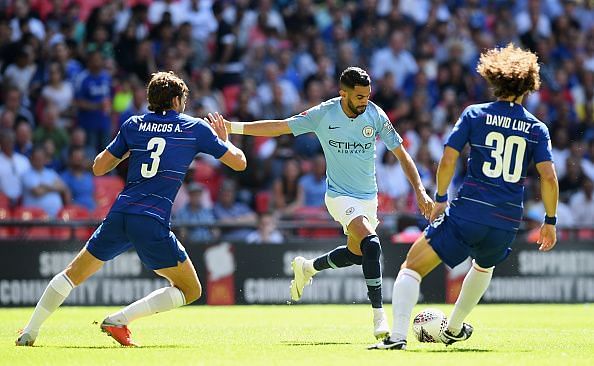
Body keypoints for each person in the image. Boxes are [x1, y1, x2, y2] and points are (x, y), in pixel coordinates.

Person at [16, 71, 247, 347]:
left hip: (121, 213)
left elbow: (99, 167)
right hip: (151, 220)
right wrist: (225, 140)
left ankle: (30, 331)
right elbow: (239, 163)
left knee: (72, 274)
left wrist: (128, 149)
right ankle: (120, 319)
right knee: (191, 289)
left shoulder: (133, 124)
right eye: (183, 99)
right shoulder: (194, 128)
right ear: (175, 101)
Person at [209, 66, 433, 340]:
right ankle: (379, 316)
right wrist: (231, 127)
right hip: (339, 196)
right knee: (372, 243)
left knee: (357, 253)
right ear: (343, 94)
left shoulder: (375, 115)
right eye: (360, 96)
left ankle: (307, 267)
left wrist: (420, 191)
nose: (365, 101)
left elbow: (401, 154)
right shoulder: (324, 114)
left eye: (367, 95)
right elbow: (280, 127)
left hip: (368, 198)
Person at [370, 44, 559, 350]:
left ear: (494, 79)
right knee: (484, 266)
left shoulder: (476, 114)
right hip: (507, 220)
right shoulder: (537, 128)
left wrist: (441, 198)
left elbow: (447, 159)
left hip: (469, 211)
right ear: (529, 85)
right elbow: (549, 177)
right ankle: (454, 328)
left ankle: (397, 338)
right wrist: (550, 221)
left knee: (411, 267)